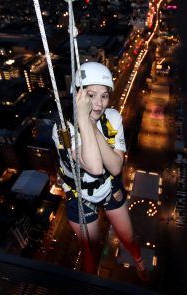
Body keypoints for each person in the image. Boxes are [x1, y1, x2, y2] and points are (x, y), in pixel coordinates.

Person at [52, 61, 149, 281]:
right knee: (90, 255)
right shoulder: (63, 130)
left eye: (104, 96)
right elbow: (95, 167)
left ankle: (139, 261)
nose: (98, 103)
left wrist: (90, 123)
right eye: (91, 95)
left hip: (109, 186)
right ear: (79, 96)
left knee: (129, 237)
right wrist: (83, 120)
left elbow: (115, 167)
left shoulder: (112, 118)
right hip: (80, 196)